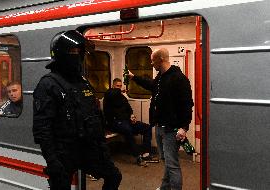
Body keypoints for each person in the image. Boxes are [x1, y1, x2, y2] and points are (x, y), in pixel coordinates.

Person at [32, 30, 122, 190]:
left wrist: (103, 150)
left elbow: (96, 117)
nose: (78, 55)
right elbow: (42, 129)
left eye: (80, 52)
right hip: (63, 152)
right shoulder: (48, 84)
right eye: (74, 51)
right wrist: (52, 161)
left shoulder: (83, 82)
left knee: (114, 176)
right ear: (62, 54)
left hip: (88, 147)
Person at [127, 48, 194, 190]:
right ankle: (165, 187)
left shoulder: (179, 78)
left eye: (153, 60)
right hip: (159, 126)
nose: (151, 63)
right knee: (165, 161)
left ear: (161, 59)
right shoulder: (160, 78)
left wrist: (184, 127)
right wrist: (134, 77)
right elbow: (150, 85)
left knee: (172, 164)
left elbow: (187, 104)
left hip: (171, 129)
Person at [103, 78, 158, 166]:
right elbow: (112, 94)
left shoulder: (122, 97)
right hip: (115, 122)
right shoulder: (109, 94)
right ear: (113, 86)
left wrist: (131, 115)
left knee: (147, 128)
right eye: (117, 86)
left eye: (120, 86)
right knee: (128, 130)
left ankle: (146, 153)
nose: (119, 88)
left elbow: (128, 108)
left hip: (126, 121)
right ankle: (137, 156)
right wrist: (120, 90)